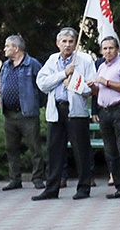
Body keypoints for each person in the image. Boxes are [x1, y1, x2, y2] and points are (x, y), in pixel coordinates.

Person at [33, 27, 97, 201]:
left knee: (81, 150)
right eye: (64, 42)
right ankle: (51, 188)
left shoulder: (84, 60)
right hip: (56, 110)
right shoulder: (52, 60)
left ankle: (83, 187)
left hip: (75, 111)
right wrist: (63, 74)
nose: (67, 45)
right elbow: (42, 83)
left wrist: (74, 83)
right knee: (54, 151)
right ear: (57, 43)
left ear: (75, 44)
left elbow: (90, 88)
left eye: (71, 42)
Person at [88, 36, 120, 201]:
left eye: (111, 48)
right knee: (110, 152)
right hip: (105, 111)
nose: (107, 52)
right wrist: (94, 87)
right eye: (105, 49)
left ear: (117, 49)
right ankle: (119, 187)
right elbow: (99, 91)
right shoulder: (101, 66)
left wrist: (107, 82)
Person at [0, 34, 45, 191]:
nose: (5, 49)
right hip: (9, 114)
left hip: (27, 114)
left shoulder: (32, 64)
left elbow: (42, 86)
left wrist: (37, 105)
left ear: (16, 48)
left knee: (34, 148)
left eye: (7, 46)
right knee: (11, 148)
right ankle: (15, 179)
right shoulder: (6, 65)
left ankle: (38, 178)